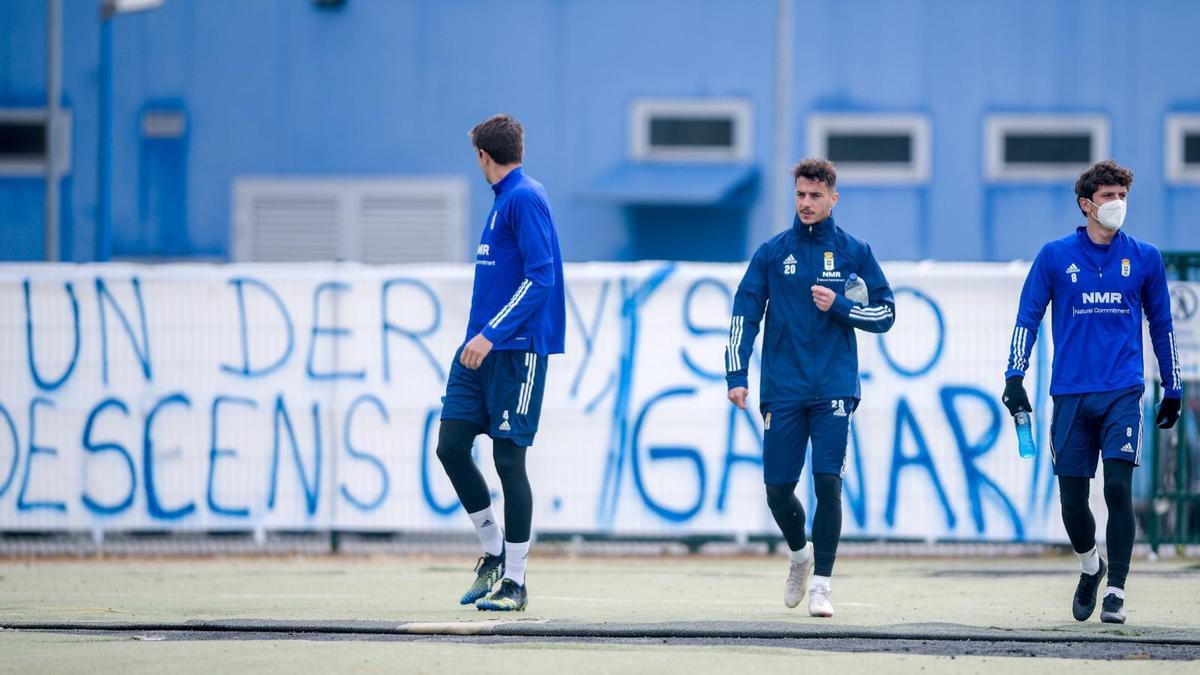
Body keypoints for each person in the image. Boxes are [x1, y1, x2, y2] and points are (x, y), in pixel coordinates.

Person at [1003, 159, 1182, 625]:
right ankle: (1090, 566)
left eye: (1123, 194)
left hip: (1123, 390)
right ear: (1086, 204)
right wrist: (1013, 378)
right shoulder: (1055, 255)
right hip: (1070, 394)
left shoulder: (1145, 257)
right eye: (1108, 196)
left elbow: (1161, 325)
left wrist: (1173, 386)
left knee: (1119, 489)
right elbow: (1028, 317)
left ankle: (1117, 591)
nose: (1117, 204)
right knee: (1072, 502)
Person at [726, 159, 895, 617]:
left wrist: (840, 306)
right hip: (782, 387)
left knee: (827, 482)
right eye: (800, 194)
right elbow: (744, 313)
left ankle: (822, 583)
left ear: (832, 199)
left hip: (835, 387)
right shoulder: (771, 252)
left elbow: (886, 314)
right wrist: (736, 375)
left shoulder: (854, 251)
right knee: (777, 491)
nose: (806, 203)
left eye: (815, 196)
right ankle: (800, 554)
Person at [435, 113, 565, 612]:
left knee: (509, 459)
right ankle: (492, 550)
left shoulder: (525, 197)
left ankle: (516, 581)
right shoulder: (502, 202)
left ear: (482, 157)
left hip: (516, 350)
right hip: (478, 351)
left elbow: (541, 278)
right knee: (450, 446)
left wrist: (491, 335)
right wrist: (479, 338)